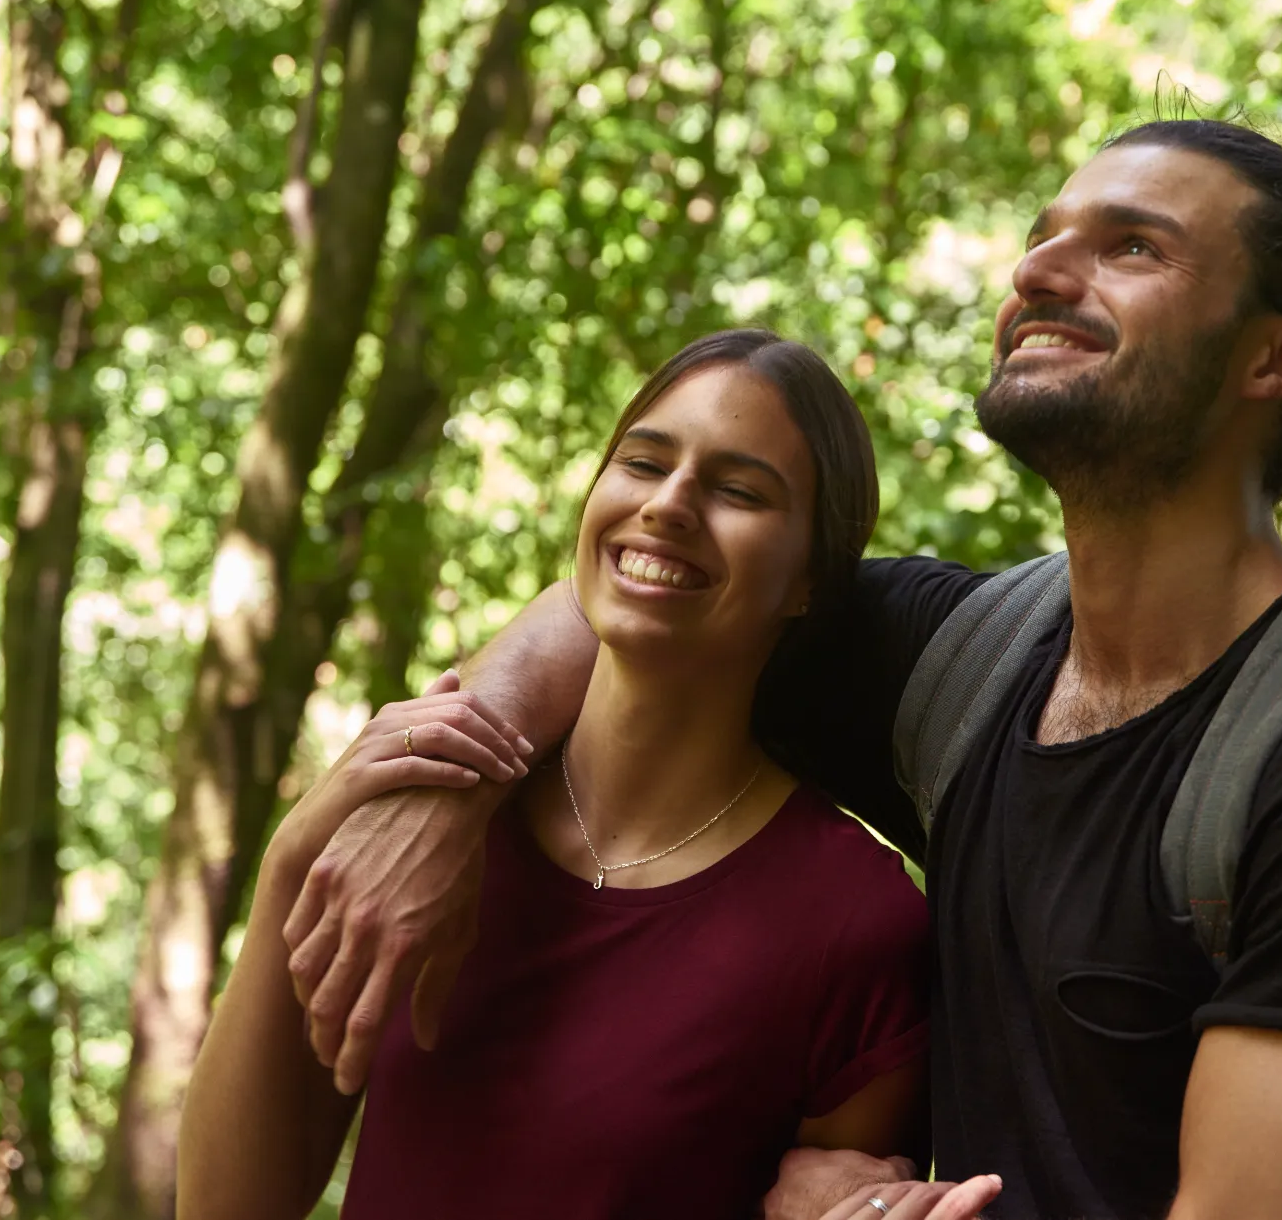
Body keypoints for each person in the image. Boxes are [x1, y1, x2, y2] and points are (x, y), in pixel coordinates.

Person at [282, 121, 1282, 1219]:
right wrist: (453, 775)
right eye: (1045, 234)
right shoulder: (969, 662)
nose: (1039, 270)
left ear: (1277, 358)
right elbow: (641, 593)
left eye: (1130, 247)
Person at [176, 329, 1002, 1220]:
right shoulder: (421, 824)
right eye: (644, 464)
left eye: (737, 490)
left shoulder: (857, 924)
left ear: (810, 578)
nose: (671, 504)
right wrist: (292, 859)